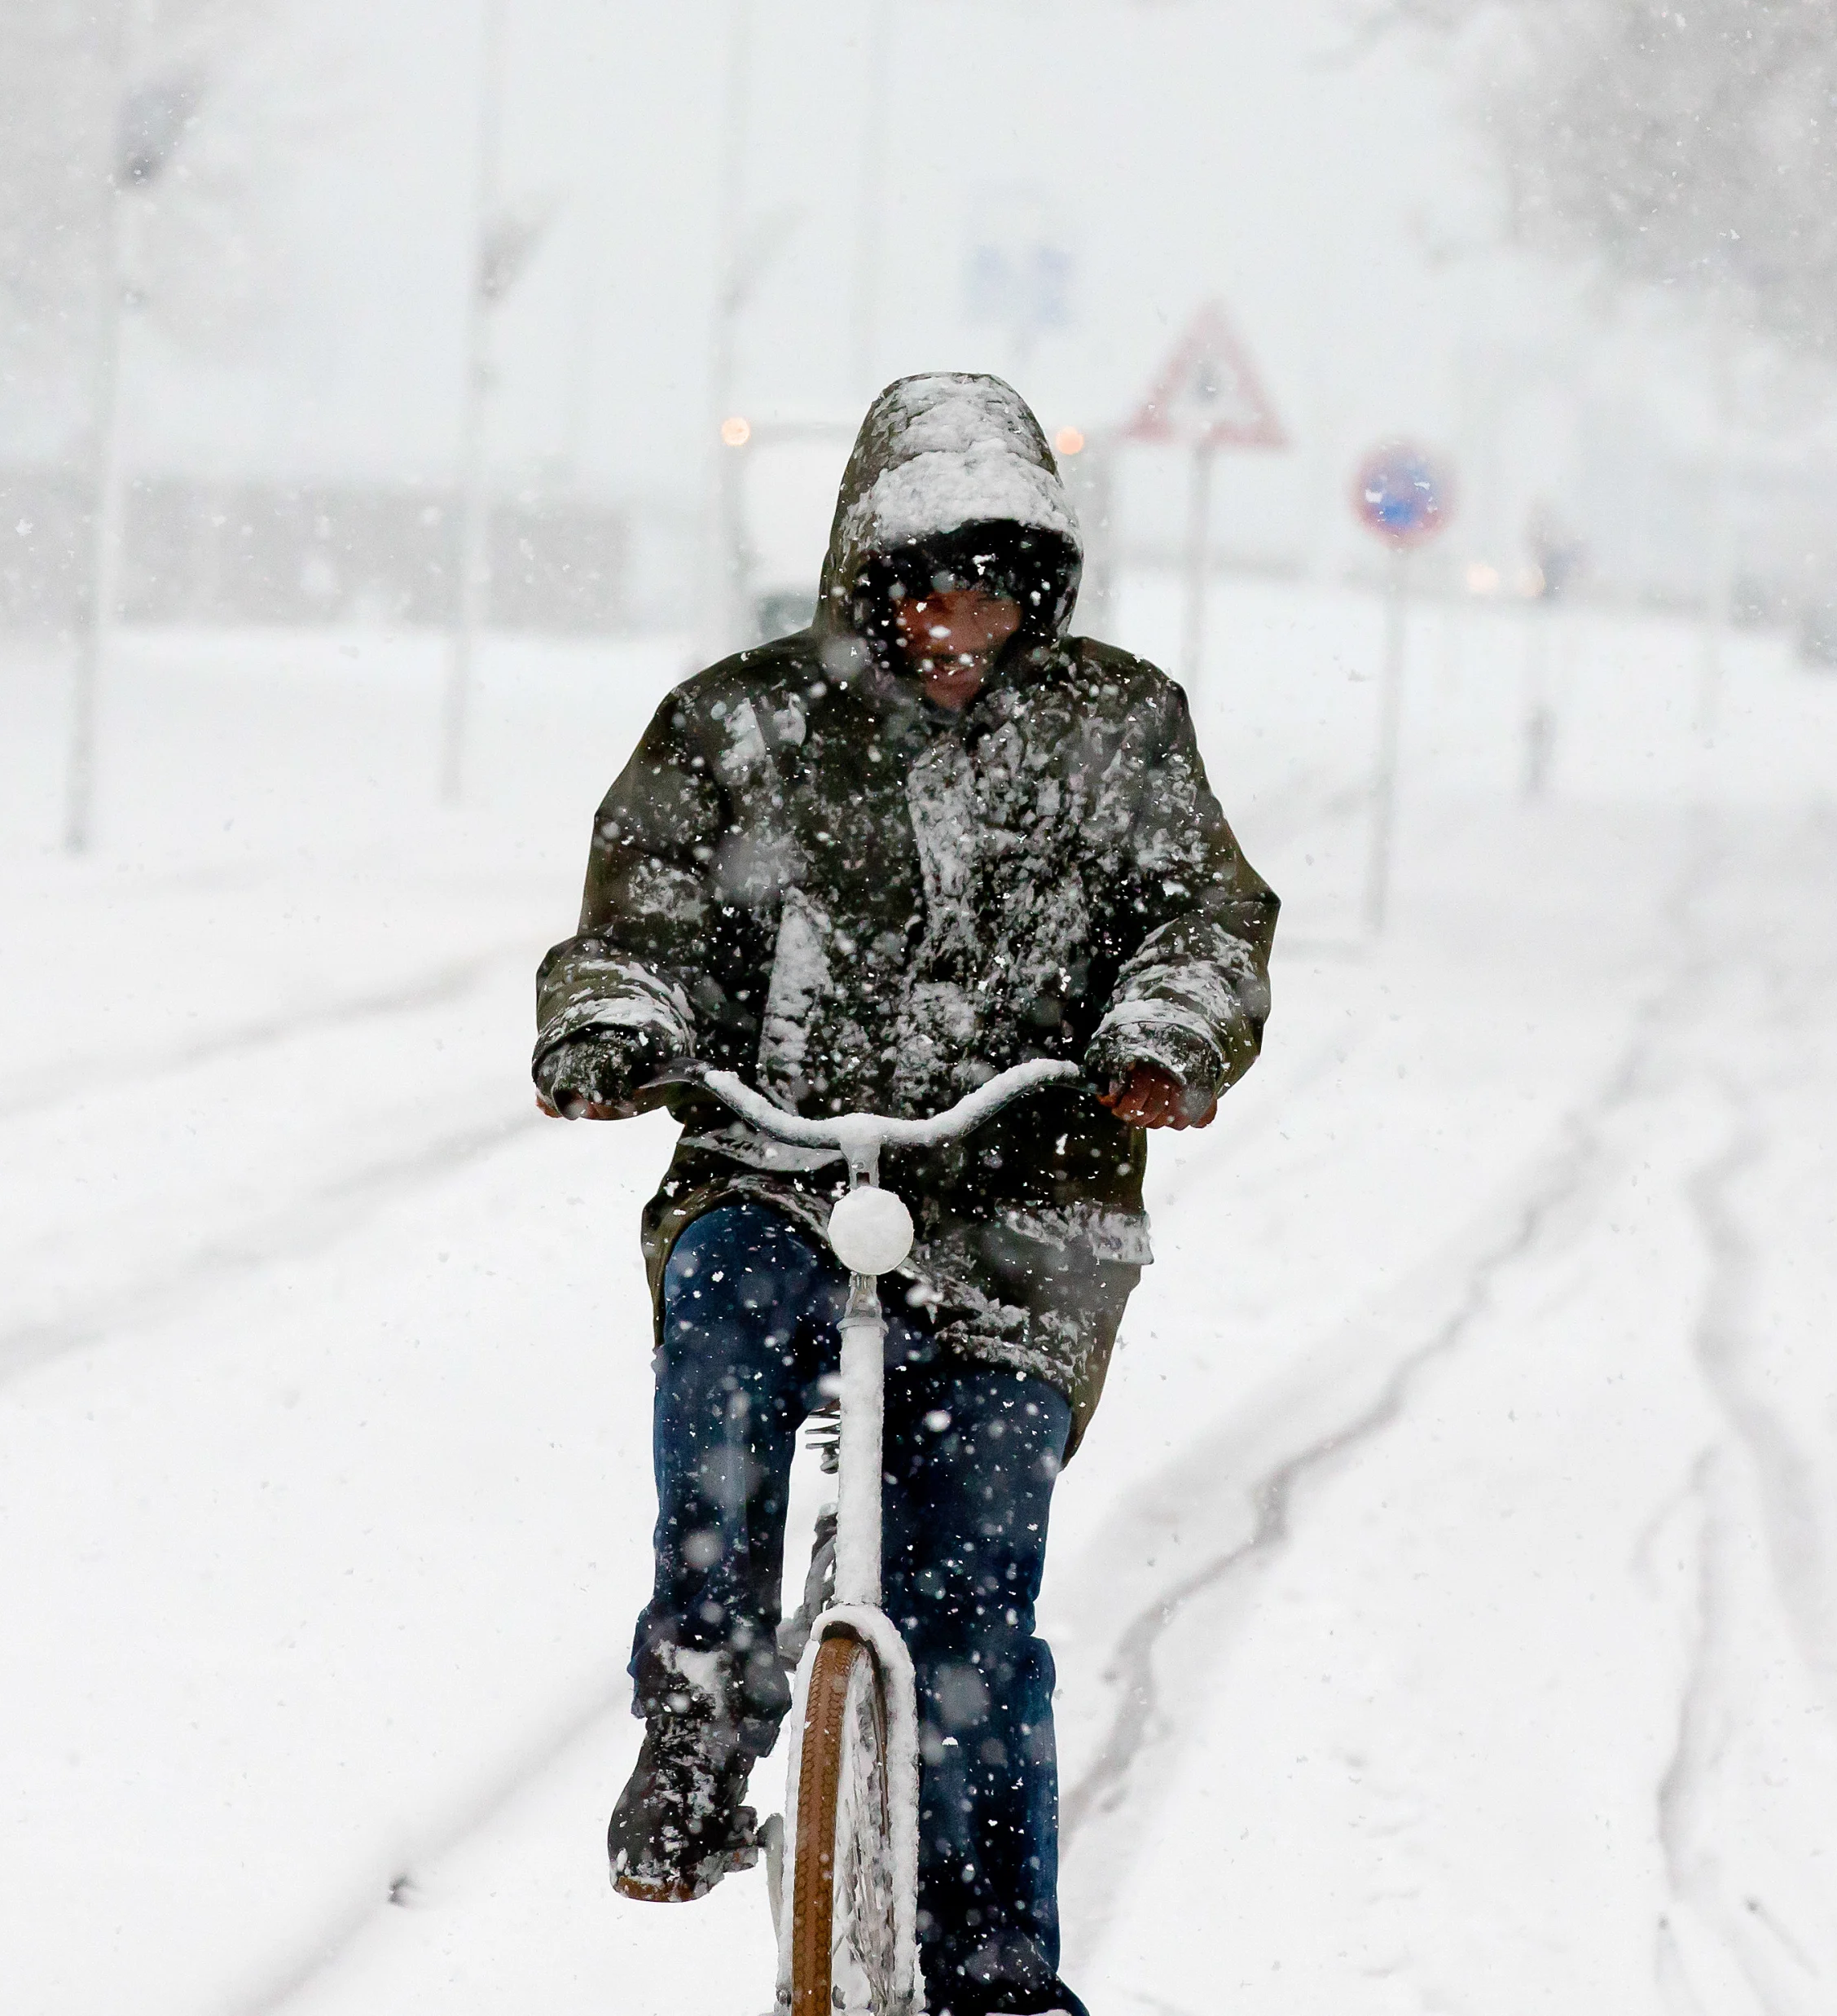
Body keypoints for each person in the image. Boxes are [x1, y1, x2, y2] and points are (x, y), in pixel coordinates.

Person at [532, 373, 1277, 2016]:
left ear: (1045, 584)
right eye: (926, 582)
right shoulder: (739, 722)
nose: (960, 619)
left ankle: (999, 1966)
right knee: (725, 1330)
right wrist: (619, 1016)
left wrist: (1162, 1032)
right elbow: (642, 909)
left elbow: (1201, 921)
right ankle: (708, 1702)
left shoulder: (1119, 729)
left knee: (975, 1602)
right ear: (864, 574)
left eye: (998, 582)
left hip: (1028, 1205)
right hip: (774, 1162)